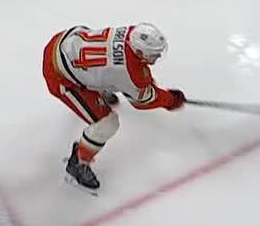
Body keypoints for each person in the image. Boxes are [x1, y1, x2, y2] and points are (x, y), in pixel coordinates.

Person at [42, 23, 185, 192]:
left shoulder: (132, 32)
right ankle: (78, 163)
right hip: (60, 76)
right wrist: (171, 100)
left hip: (65, 41)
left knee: (110, 70)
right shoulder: (131, 74)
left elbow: (126, 70)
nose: (158, 55)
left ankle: (99, 88)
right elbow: (143, 101)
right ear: (139, 52)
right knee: (107, 124)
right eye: (154, 54)